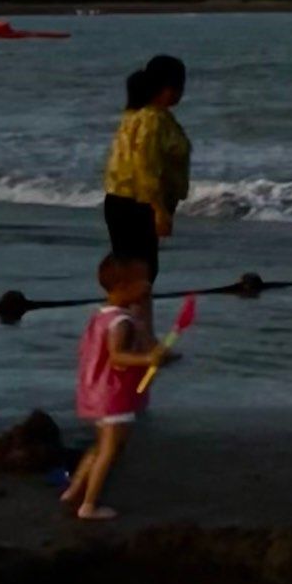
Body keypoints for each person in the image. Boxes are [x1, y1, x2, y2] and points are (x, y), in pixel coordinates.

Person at [61, 254, 173, 522]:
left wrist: (151, 346)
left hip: (96, 390)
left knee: (100, 446)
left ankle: (74, 491)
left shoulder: (102, 315)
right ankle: (89, 505)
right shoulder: (121, 322)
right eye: (142, 280)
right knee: (111, 449)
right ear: (123, 286)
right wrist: (148, 359)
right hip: (114, 394)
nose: (148, 285)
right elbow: (117, 356)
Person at [101, 55, 192, 269]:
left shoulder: (133, 115)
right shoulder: (154, 119)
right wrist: (158, 209)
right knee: (141, 270)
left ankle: (121, 302)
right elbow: (146, 166)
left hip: (119, 199)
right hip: (139, 204)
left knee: (129, 268)